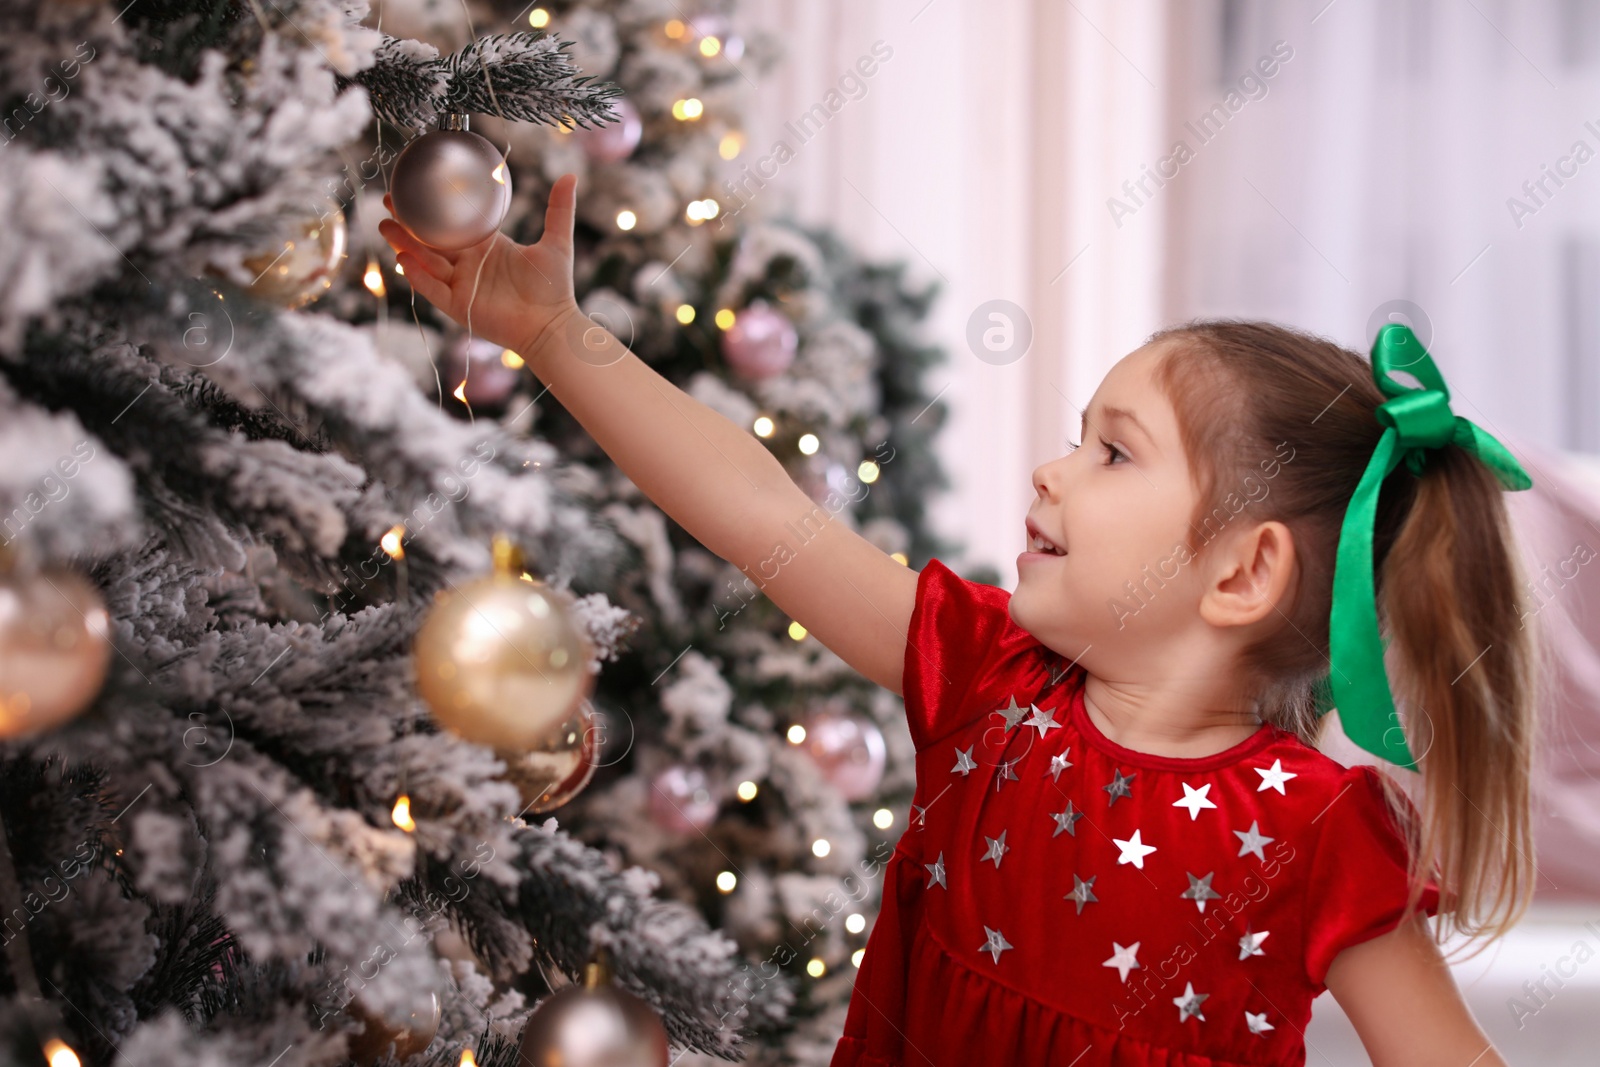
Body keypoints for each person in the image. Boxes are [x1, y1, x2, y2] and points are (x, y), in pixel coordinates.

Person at [382, 174, 1538, 1066]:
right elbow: (756, 511)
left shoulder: (1316, 831)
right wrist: (554, 337)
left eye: (1112, 451)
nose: (1050, 470)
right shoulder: (988, 674)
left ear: (1241, 574)